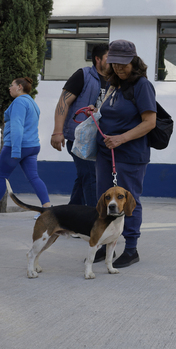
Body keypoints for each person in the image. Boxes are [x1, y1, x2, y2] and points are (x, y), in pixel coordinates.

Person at [93, 40, 156, 268]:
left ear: (134, 61)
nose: (119, 68)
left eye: (123, 64)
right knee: (103, 200)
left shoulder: (142, 86)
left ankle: (131, 249)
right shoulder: (113, 85)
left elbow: (150, 122)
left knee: (128, 202)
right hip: (106, 153)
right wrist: (96, 112)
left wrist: (121, 138)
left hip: (130, 154)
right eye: (114, 64)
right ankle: (102, 244)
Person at [0, 78, 51, 219]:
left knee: (2, 176)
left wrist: (15, 150)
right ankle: (47, 210)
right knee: (34, 177)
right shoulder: (32, 103)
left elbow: (17, 126)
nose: (9, 87)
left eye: (12, 85)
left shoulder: (19, 102)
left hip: (17, 145)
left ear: (19, 87)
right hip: (32, 146)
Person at [50, 43, 109, 207]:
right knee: (91, 176)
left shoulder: (114, 81)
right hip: (79, 139)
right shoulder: (83, 75)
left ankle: (69, 219)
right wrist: (57, 131)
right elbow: (63, 101)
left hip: (101, 139)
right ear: (98, 59)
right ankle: (92, 220)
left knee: (84, 177)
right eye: (108, 58)